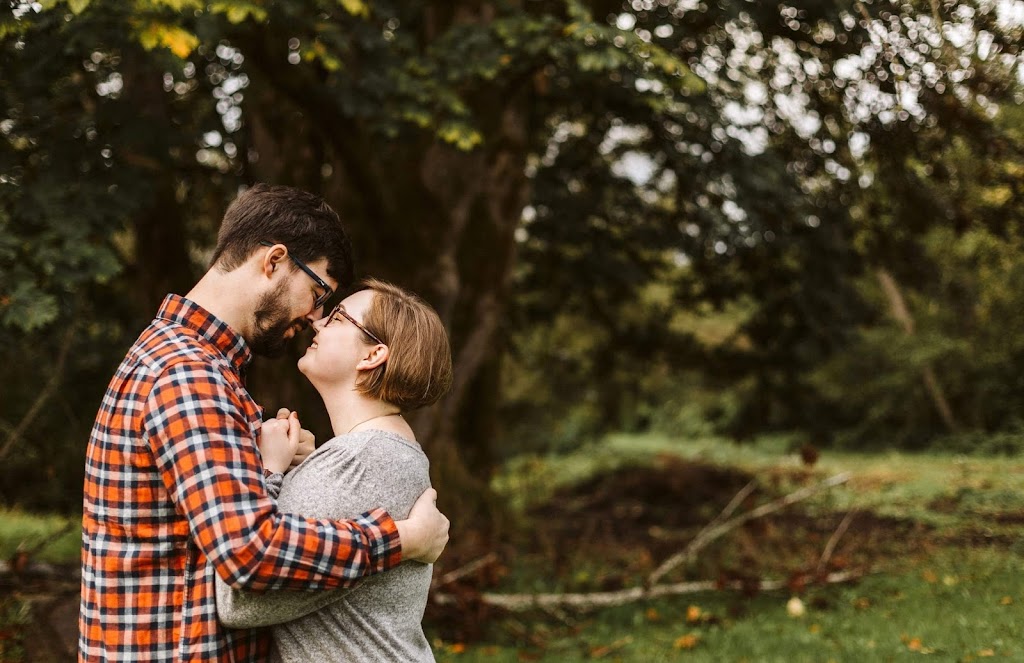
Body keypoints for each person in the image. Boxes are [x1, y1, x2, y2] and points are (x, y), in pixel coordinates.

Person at [79, 184, 449, 663]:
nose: (315, 317)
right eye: (318, 293)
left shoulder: (199, 369)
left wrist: (275, 465)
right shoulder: (189, 375)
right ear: (274, 261)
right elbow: (249, 554)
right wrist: (399, 539)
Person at [216, 279, 453, 662]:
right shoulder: (378, 453)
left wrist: (268, 471)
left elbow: (240, 603)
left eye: (340, 317)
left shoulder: (361, 462)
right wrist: (307, 468)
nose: (319, 323)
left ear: (373, 355)